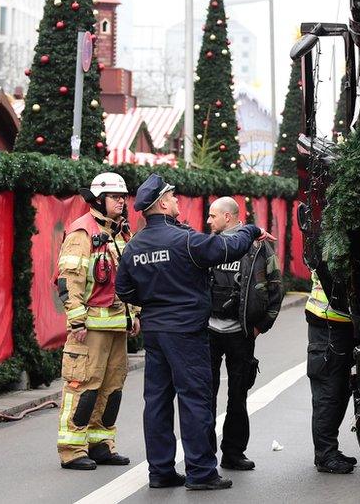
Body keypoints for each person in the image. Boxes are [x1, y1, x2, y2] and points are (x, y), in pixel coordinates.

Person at [115, 174, 275, 491]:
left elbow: (124, 289)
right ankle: (201, 472)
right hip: (186, 331)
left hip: (155, 331)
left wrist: (154, 301)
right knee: (195, 398)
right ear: (162, 203)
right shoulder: (185, 240)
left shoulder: (134, 246)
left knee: (157, 400)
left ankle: (160, 471)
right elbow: (228, 247)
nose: (177, 201)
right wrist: (252, 229)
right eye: (173, 197)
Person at [55, 172, 139, 471]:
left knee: (112, 388)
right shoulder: (82, 232)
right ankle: (72, 449)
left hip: (117, 326)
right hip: (89, 329)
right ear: (99, 200)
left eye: (123, 196)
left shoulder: (121, 232)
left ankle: (101, 444)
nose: (122, 201)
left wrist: (134, 314)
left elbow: (129, 280)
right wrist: (76, 321)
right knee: (83, 386)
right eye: (116, 197)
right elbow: (69, 281)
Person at [205, 197, 283, 471]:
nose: (208, 221)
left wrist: (262, 325)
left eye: (213, 216)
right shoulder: (208, 245)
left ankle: (233, 453)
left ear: (228, 217)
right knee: (205, 396)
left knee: (238, 396)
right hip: (209, 333)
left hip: (242, 334)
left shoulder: (258, 247)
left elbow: (275, 287)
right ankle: (204, 456)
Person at [306, 269, 358, 474]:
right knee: (328, 392)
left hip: (343, 323)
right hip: (327, 322)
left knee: (342, 390)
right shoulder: (331, 243)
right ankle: (325, 454)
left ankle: (330, 450)